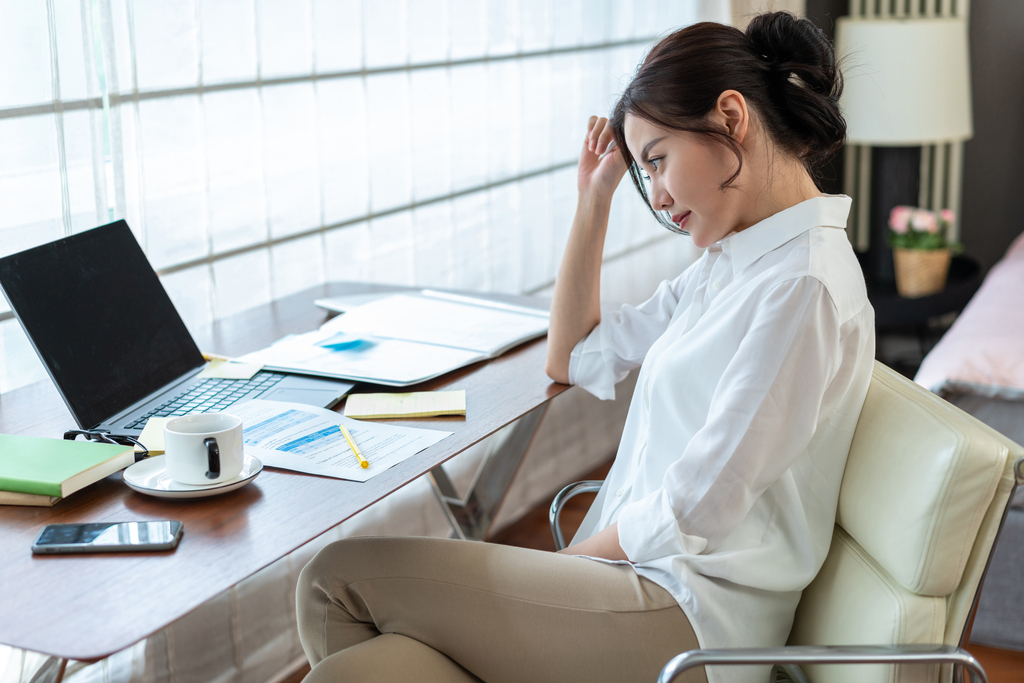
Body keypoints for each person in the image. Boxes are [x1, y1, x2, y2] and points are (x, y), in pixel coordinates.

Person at [295, 12, 874, 683]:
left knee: (333, 578)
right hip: (631, 586)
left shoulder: (801, 287)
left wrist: (554, 571)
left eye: (657, 160)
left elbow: (700, 506)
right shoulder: (733, 264)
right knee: (355, 671)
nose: (656, 197)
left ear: (730, 118)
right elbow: (572, 356)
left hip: (688, 620)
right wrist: (593, 198)